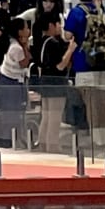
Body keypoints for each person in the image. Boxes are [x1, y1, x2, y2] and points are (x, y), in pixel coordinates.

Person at [65, 0, 105, 147]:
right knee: (102, 102)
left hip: (84, 62)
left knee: (90, 103)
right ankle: (103, 137)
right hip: (103, 60)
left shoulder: (76, 12)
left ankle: (95, 140)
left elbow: (68, 35)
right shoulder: (101, 10)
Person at [33, 11, 76, 152]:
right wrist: (70, 50)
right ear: (51, 25)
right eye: (58, 24)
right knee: (55, 115)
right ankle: (53, 144)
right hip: (55, 82)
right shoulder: (53, 43)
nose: (60, 27)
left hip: (44, 81)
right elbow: (60, 65)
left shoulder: (40, 41)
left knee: (46, 114)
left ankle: (43, 142)